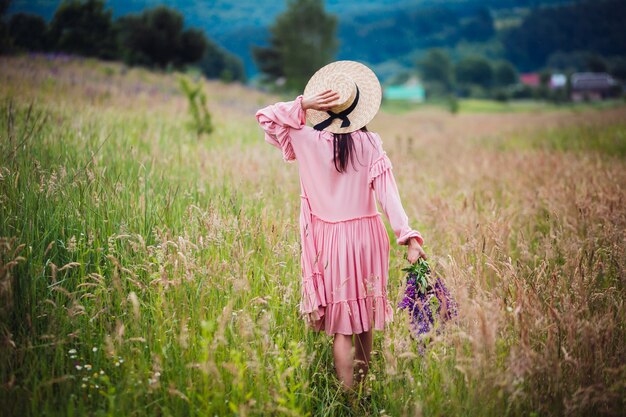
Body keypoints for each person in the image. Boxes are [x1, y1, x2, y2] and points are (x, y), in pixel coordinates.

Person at [255, 61, 427, 393]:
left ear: (323, 105)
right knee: (365, 321)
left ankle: (348, 402)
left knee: (342, 328)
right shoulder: (371, 143)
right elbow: (389, 196)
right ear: (360, 107)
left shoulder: (304, 138)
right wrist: (408, 237)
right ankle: (362, 399)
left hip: (329, 241)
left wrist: (302, 104)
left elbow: (265, 116)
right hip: (368, 238)